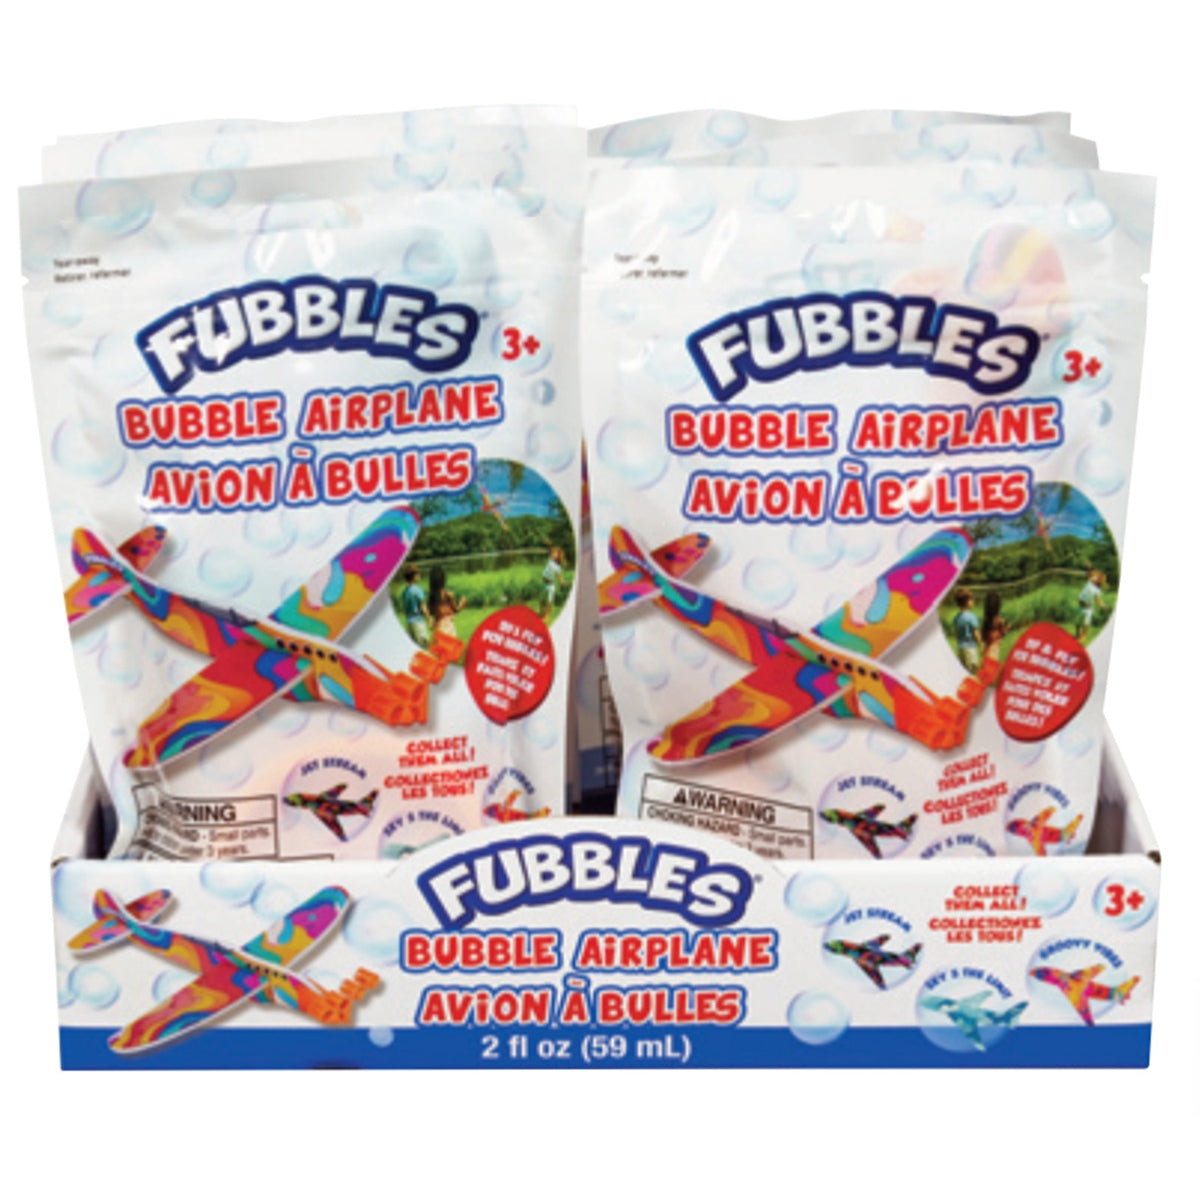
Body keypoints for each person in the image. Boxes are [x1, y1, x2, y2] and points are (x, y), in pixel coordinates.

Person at [429, 563, 467, 638]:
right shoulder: (448, 594)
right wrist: (462, 603)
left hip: (438, 627)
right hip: (449, 626)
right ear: (443, 579)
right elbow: (456, 609)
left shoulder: (432, 596)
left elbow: (432, 612)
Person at [951, 587, 982, 672]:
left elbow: (957, 633)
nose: (973, 601)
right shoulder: (971, 617)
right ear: (966, 602)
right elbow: (976, 633)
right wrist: (981, 645)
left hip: (960, 648)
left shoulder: (957, 618)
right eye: (971, 599)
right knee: (972, 670)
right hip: (970, 648)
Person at [400, 564, 432, 648]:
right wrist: (429, 620)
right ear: (414, 576)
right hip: (418, 621)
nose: (419, 575)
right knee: (424, 645)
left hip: (409, 622)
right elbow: (423, 607)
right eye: (417, 574)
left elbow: (404, 609)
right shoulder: (418, 590)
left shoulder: (405, 592)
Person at [1077, 570, 1108, 640]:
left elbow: (1098, 600)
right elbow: (1089, 574)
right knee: (1078, 621)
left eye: (1099, 579)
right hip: (1081, 606)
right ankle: (1078, 633)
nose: (1096, 578)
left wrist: (1102, 605)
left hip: (1088, 608)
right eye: (1097, 577)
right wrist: (1090, 573)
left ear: (1099, 582)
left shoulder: (1097, 590)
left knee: (1086, 622)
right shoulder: (1090, 582)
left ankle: (1084, 635)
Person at [541, 545, 565, 622]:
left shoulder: (557, 567)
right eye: (553, 553)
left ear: (558, 556)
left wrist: (562, 582)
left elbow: (559, 577)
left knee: (549, 602)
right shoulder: (550, 560)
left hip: (550, 585)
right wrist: (548, 545)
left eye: (555, 553)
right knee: (542, 600)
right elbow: (550, 550)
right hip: (544, 583)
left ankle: (547, 615)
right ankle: (543, 613)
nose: (553, 554)